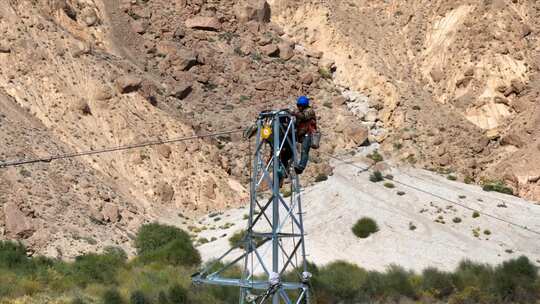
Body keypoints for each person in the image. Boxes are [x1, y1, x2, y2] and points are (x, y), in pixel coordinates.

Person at [293, 96, 317, 174]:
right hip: (301, 134)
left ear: (304, 105)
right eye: (298, 105)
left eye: (300, 106)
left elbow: (303, 117)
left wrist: (294, 113)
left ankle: (301, 167)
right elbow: (297, 123)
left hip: (308, 133)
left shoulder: (310, 111)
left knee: (304, 150)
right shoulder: (300, 112)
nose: (299, 107)